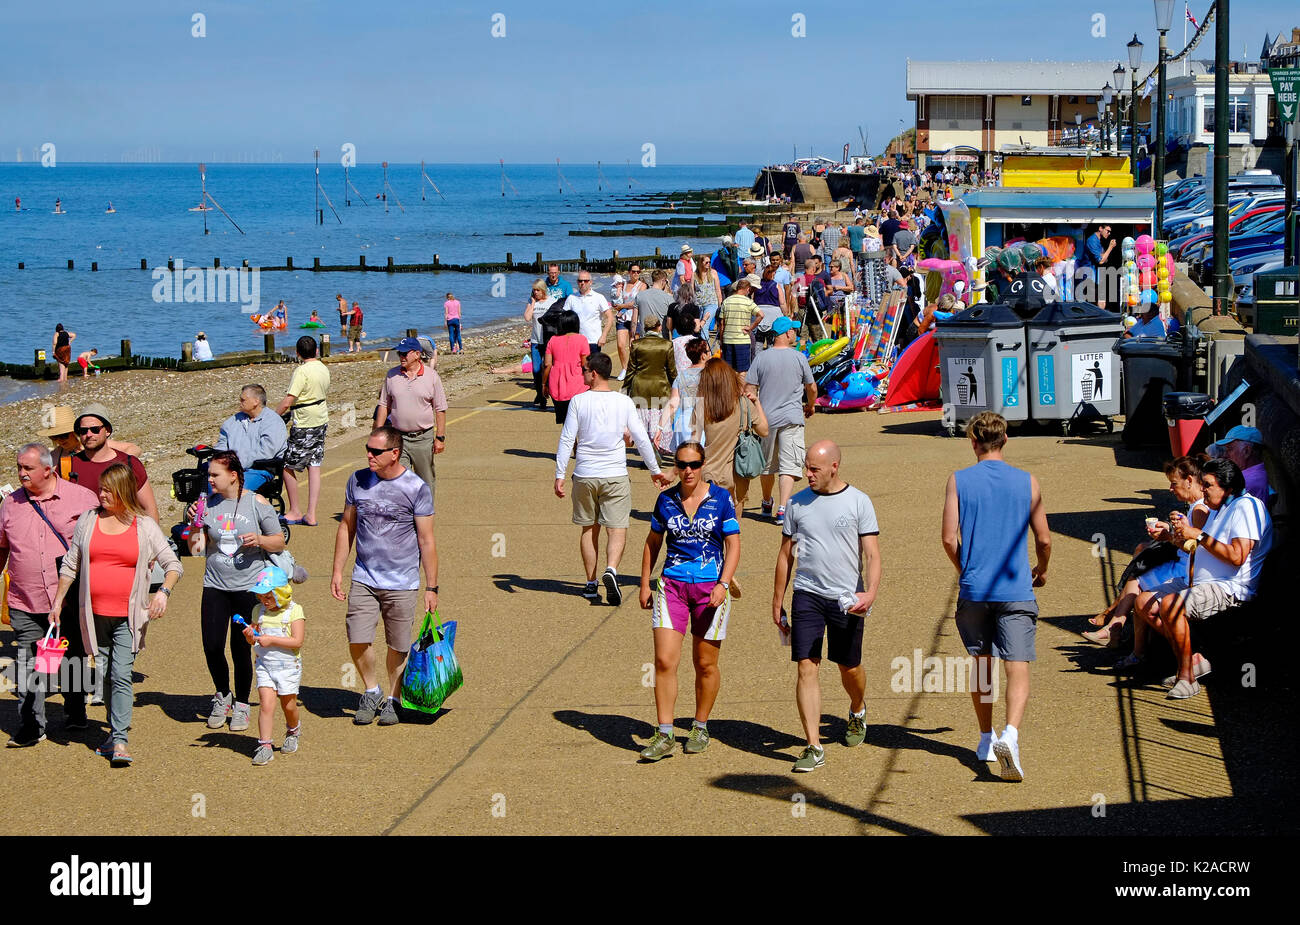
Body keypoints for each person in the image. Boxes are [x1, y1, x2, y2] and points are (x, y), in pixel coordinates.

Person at [941, 412, 1051, 781]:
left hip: (975, 589)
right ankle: (1012, 735)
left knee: (983, 664)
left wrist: (964, 569)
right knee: (1017, 663)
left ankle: (986, 737)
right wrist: (1042, 568)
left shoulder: (958, 480)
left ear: (974, 442)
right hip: (1015, 587)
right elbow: (1044, 539)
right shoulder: (1027, 482)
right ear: (1005, 441)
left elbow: (947, 538)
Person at [50, 463, 182, 766]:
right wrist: (58, 601)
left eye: (108, 489)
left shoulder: (143, 525)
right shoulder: (88, 519)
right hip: (93, 616)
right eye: (101, 488)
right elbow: (71, 564)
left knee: (121, 674)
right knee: (107, 674)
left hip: (128, 616)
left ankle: (120, 739)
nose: (101, 494)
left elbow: (173, 563)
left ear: (123, 491)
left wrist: (163, 592)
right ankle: (113, 733)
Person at [772, 441, 881, 773]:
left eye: (814, 469)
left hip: (847, 597)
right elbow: (784, 555)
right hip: (807, 594)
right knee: (807, 666)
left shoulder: (859, 502)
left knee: (849, 667)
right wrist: (777, 600)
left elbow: (873, 555)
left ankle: (857, 708)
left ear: (835, 466)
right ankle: (813, 745)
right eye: (806, 467)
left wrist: (870, 593)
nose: (807, 474)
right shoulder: (796, 503)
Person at [1123, 458, 1272, 700]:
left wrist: (1199, 534)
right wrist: (1171, 538)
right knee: (1143, 603)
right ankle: (1193, 660)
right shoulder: (1218, 508)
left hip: (1230, 587)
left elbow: (1237, 556)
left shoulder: (1246, 507)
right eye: (1202, 484)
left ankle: (1187, 678)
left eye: (1208, 485)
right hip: (1200, 582)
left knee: (1171, 605)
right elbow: (1196, 546)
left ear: (1228, 487)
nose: (1202, 490)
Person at [637, 441, 741, 761]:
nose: (688, 471)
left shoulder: (721, 499)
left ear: (703, 464)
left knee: (705, 663)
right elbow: (653, 542)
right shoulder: (665, 500)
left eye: (694, 464)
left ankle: (700, 725)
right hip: (672, 587)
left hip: (711, 592)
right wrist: (644, 583)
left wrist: (724, 583)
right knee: (665, 661)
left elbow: (733, 545)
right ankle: (665, 732)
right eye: (682, 465)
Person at [331, 427, 439, 726]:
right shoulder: (357, 480)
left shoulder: (416, 488)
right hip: (364, 577)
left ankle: (393, 698)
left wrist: (432, 586)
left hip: (402, 581)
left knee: (399, 645)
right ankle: (371, 690)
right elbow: (346, 526)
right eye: (368, 449)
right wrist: (338, 569)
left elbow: (427, 541)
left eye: (376, 451)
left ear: (394, 453)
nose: (369, 455)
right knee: (357, 638)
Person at [0, 444, 99, 746]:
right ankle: (32, 725)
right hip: (25, 599)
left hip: (68, 600)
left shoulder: (82, 499)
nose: (21, 473)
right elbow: (2, 547)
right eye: (19, 467)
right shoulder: (9, 505)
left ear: (48, 469)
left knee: (73, 658)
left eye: (27, 468)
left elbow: (98, 546)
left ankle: (75, 710)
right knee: (29, 662)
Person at [555, 352, 670, 605]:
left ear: (593, 374)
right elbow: (640, 437)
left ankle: (590, 582)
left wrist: (559, 474)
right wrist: (655, 469)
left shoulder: (578, 401)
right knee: (616, 527)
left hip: (585, 473)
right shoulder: (623, 402)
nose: (583, 373)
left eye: (585, 370)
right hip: (615, 473)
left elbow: (567, 439)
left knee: (589, 528)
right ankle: (612, 569)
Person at [186, 451, 285, 734]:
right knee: (212, 646)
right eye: (209, 475)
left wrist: (261, 540)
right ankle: (222, 695)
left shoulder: (257, 502)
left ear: (233, 475)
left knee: (241, 648)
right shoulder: (207, 504)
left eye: (214, 474)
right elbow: (196, 550)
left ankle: (242, 703)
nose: (209, 480)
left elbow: (280, 542)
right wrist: (195, 523)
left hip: (248, 588)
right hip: (215, 586)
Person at [1083, 456, 1210, 646]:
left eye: (1174, 483)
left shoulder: (1199, 509)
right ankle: (1118, 632)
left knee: (1138, 576)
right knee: (1139, 570)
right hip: (1182, 563)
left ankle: (1117, 629)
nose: (1170, 489)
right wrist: (1170, 528)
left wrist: (1169, 536)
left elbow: (1194, 547)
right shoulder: (1195, 506)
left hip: (1186, 569)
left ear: (1189, 481)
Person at [747, 317, 816, 525]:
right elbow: (811, 388)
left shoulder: (760, 358)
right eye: (793, 331)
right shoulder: (798, 357)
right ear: (786, 333)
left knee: (767, 466)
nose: (794, 333)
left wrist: (755, 411)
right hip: (791, 417)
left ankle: (767, 501)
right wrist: (811, 405)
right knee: (788, 465)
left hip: (765, 419)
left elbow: (749, 389)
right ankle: (783, 508)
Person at [240, 566, 305, 766]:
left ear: (281, 594)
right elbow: (255, 639)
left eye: (268, 597)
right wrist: (250, 637)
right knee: (266, 704)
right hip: (264, 665)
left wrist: (271, 640)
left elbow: (297, 641)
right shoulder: (257, 611)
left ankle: (293, 729)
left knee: (289, 705)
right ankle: (265, 745)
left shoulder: (295, 611)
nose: (264, 601)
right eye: (261, 597)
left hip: (288, 667)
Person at [377, 337, 448, 504]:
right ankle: (405, 514)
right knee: (400, 479)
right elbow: (383, 405)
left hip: (423, 439)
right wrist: (377, 433)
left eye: (405, 353)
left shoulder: (432, 377)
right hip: (398, 438)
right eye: (399, 353)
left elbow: (440, 408)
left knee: (426, 480)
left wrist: (440, 437)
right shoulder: (391, 375)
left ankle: (425, 513)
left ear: (417, 354)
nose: (401, 356)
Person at [698, 357, 769, 514]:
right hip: (737, 473)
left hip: (709, 472)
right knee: (733, 529)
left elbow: (693, 442)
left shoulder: (702, 406)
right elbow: (764, 431)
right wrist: (756, 402)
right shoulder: (743, 403)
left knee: (710, 526)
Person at [69, 404, 158, 522]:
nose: (89, 435)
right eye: (83, 430)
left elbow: (150, 509)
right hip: (85, 537)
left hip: (125, 534)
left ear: (107, 431)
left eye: (95, 430)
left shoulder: (129, 464)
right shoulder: (68, 466)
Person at [276, 336, 331, 527]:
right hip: (321, 417)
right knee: (314, 464)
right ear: (316, 351)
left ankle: (295, 510)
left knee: (288, 465)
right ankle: (311, 513)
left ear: (298, 353)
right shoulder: (323, 368)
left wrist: (274, 416)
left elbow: (289, 400)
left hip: (305, 420)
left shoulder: (302, 371)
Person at [215, 384, 288, 495]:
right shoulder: (232, 421)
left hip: (259, 469)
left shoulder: (273, 422)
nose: (240, 402)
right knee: (206, 483)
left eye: (243, 400)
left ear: (256, 401)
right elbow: (222, 444)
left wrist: (237, 465)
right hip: (232, 469)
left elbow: (266, 452)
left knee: (234, 489)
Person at [622, 315, 677, 440]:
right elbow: (671, 370)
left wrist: (625, 388)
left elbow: (631, 370)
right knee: (658, 423)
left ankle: (645, 452)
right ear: (658, 327)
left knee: (642, 425)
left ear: (645, 328)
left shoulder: (636, 344)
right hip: (661, 388)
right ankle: (656, 449)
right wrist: (677, 387)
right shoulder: (667, 344)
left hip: (639, 388)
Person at [658, 337, 711, 456]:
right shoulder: (710, 375)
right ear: (703, 356)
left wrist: (659, 427)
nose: (710, 353)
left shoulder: (680, 376)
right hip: (704, 425)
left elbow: (672, 404)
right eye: (708, 351)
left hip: (683, 424)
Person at [1208, 426, 1274, 511]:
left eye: (1230, 449)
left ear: (1246, 451)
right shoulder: (1250, 477)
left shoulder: (1248, 481)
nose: (1226, 455)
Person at [542, 310, 590, 425]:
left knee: (566, 425)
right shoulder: (582, 339)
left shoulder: (553, 340)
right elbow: (585, 364)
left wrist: (544, 384)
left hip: (557, 386)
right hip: (578, 385)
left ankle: (571, 443)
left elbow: (547, 365)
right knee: (581, 422)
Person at [718, 276, 762, 373]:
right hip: (742, 340)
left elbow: (722, 324)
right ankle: (741, 388)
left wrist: (721, 340)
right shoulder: (748, 302)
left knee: (729, 370)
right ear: (747, 289)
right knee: (742, 371)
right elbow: (761, 315)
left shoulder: (726, 302)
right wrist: (751, 327)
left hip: (728, 339)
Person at [524, 279, 557, 408]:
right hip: (536, 340)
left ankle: (546, 393)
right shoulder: (532, 301)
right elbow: (527, 318)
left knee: (547, 368)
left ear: (543, 290)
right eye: (534, 290)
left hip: (548, 341)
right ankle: (540, 394)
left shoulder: (552, 301)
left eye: (537, 290)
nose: (535, 292)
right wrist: (532, 303)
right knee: (536, 370)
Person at [568, 270, 614, 355]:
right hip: (576, 341)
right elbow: (565, 319)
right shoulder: (571, 298)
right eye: (580, 281)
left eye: (585, 281)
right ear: (577, 282)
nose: (582, 283)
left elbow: (610, 317)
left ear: (591, 282)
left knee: (592, 367)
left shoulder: (599, 297)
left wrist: (604, 336)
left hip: (593, 341)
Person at [612, 265, 644, 378]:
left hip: (635, 318)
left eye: (638, 271)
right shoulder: (623, 284)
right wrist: (615, 304)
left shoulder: (642, 285)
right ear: (629, 272)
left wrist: (622, 306)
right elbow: (616, 296)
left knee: (633, 345)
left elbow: (636, 302)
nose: (636, 273)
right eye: (633, 271)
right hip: (622, 318)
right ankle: (625, 368)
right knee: (621, 345)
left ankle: (635, 368)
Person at [1078, 224, 1116, 309]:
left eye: (1110, 232)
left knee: (1100, 299)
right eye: (1107, 231)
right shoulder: (1092, 241)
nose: (1109, 233)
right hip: (1089, 275)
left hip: (1095, 275)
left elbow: (1105, 259)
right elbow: (1101, 260)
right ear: (1100, 228)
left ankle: (1102, 317)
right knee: (1094, 299)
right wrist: (1110, 248)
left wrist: (1104, 256)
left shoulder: (1099, 241)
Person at [635, 269, 674, 336]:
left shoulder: (639, 295)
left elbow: (634, 320)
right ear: (663, 281)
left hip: (644, 337)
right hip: (662, 338)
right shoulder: (669, 298)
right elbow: (670, 324)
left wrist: (633, 336)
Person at [693, 254, 723, 338]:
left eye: (709, 262)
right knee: (697, 327)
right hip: (698, 304)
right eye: (706, 262)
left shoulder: (713, 273)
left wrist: (720, 306)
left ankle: (706, 348)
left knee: (704, 326)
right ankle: (699, 347)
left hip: (711, 303)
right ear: (700, 263)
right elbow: (692, 291)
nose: (708, 264)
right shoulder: (694, 275)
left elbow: (718, 290)